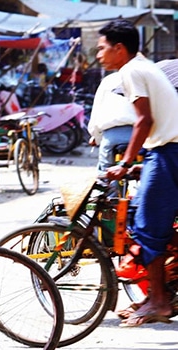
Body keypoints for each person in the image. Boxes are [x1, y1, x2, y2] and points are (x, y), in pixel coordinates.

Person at [98, 19, 178, 327]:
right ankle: (156, 294)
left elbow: (143, 121)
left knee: (147, 227)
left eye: (102, 48)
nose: (99, 54)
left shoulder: (131, 70)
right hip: (165, 151)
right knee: (150, 225)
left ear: (120, 48)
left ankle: (159, 301)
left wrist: (127, 162)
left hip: (167, 153)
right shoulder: (146, 66)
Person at [87, 71, 136, 175]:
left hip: (112, 137)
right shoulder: (150, 78)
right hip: (140, 136)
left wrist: (96, 137)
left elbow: (96, 112)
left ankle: (106, 189)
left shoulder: (109, 80)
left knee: (105, 175)